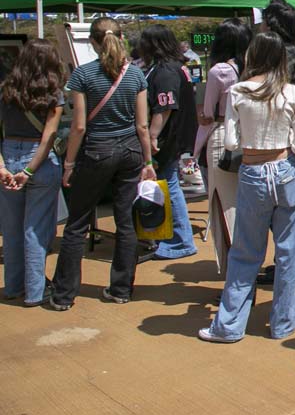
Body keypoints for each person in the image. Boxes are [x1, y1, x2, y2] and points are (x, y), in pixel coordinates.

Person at [199, 32, 295, 343]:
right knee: (289, 253)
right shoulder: (294, 93)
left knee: (245, 253)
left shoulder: (238, 91)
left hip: (253, 172)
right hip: (287, 172)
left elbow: (231, 142)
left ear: (253, 55)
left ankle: (229, 326)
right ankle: (283, 325)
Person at [51, 18, 156, 309]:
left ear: (93, 42)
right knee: (126, 222)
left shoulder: (82, 75)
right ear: (121, 38)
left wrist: (69, 164)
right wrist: (148, 161)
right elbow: (142, 125)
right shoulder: (136, 75)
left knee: (76, 224)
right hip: (131, 151)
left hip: (97, 151)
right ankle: (121, 289)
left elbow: (79, 127)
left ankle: (63, 295)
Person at [0, 39, 67, 305]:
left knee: (12, 229)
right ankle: (35, 291)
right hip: (39, 161)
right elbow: (49, 137)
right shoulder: (54, 94)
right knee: (35, 229)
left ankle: (13, 286)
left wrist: (2, 166)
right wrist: (29, 170)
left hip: (9, 155)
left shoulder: (6, 90)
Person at [256, 0, 295, 282]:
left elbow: (276, 99)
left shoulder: (282, 56)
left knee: (278, 212)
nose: (260, 25)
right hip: (288, 141)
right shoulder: (293, 53)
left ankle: (293, 263)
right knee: (285, 212)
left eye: (264, 20)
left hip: (277, 143)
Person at [194, 18, 251, 274]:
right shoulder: (252, 69)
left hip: (221, 137)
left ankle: (234, 272)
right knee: (245, 206)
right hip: (249, 139)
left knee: (224, 207)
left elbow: (207, 113)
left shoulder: (219, 71)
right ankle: (246, 266)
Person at [141, 25, 199, 261]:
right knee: (169, 183)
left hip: (169, 137)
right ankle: (175, 238)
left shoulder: (165, 70)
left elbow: (165, 108)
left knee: (170, 184)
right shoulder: (175, 66)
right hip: (176, 135)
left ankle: (181, 240)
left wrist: (152, 135)